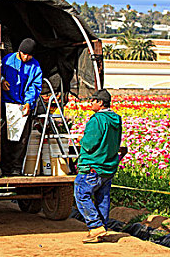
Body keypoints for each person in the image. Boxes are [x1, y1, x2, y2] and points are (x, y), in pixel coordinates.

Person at [74, 89, 122, 243]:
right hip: (108, 166)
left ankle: (95, 226)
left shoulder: (97, 120)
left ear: (100, 103)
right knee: (102, 198)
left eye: (93, 100)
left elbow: (90, 144)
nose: (91, 103)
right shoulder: (115, 119)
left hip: (93, 166)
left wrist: (81, 139)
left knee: (81, 193)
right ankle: (102, 229)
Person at [1, 38, 43, 175]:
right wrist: (1, 81)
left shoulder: (35, 66)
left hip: (22, 106)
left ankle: (16, 168)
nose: (26, 57)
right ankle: (4, 166)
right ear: (19, 51)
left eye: (29, 55)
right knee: (4, 137)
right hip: (5, 104)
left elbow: (34, 86)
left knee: (22, 139)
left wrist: (28, 102)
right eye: (23, 54)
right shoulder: (7, 60)